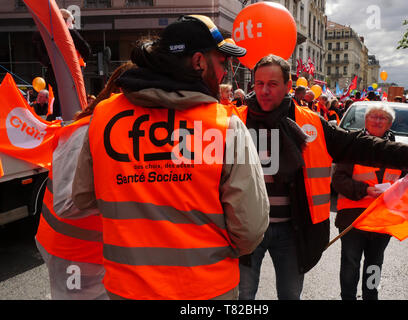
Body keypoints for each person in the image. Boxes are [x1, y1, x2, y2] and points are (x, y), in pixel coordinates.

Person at [71, 15, 269, 300]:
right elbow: (249, 230)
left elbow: (83, 197)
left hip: (127, 289)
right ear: (199, 61)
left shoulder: (104, 116)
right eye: (222, 62)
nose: (226, 71)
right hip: (205, 289)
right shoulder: (224, 125)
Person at [236, 54, 408, 300]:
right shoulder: (235, 120)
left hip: (293, 231)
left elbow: (360, 145)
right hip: (247, 229)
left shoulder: (311, 122)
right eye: (259, 83)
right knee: (243, 296)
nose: (264, 90)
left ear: (288, 86)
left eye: (272, 83)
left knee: (290, 295)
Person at [35, 62, 136, 300]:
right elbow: (66, 203)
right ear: (120, 95)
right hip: (73, 253)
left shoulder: (117, 130)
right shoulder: (83, 132)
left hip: (94, 252)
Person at [332, 104, 405, 300]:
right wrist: (365, 190)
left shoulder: (397, 150)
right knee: (350, 263)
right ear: (366, 121)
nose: (377, 120)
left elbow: (407, 181)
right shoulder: (352, 145)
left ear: (389, 124)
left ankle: (370, 296)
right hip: (353, 219)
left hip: (382, 220)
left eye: (382, 118)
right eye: (373, 116)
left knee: (375, 264)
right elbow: (338, 180)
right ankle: (347, 297)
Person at [32, 9, 90, 120]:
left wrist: (49, 62)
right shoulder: (70, 33)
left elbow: (37, 53)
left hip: (56, 71)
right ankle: (67, 119)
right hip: (71, 71)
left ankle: (57, 118)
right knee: (71, 97)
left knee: (59, 96)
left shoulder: (43, 33)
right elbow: (86, 49)